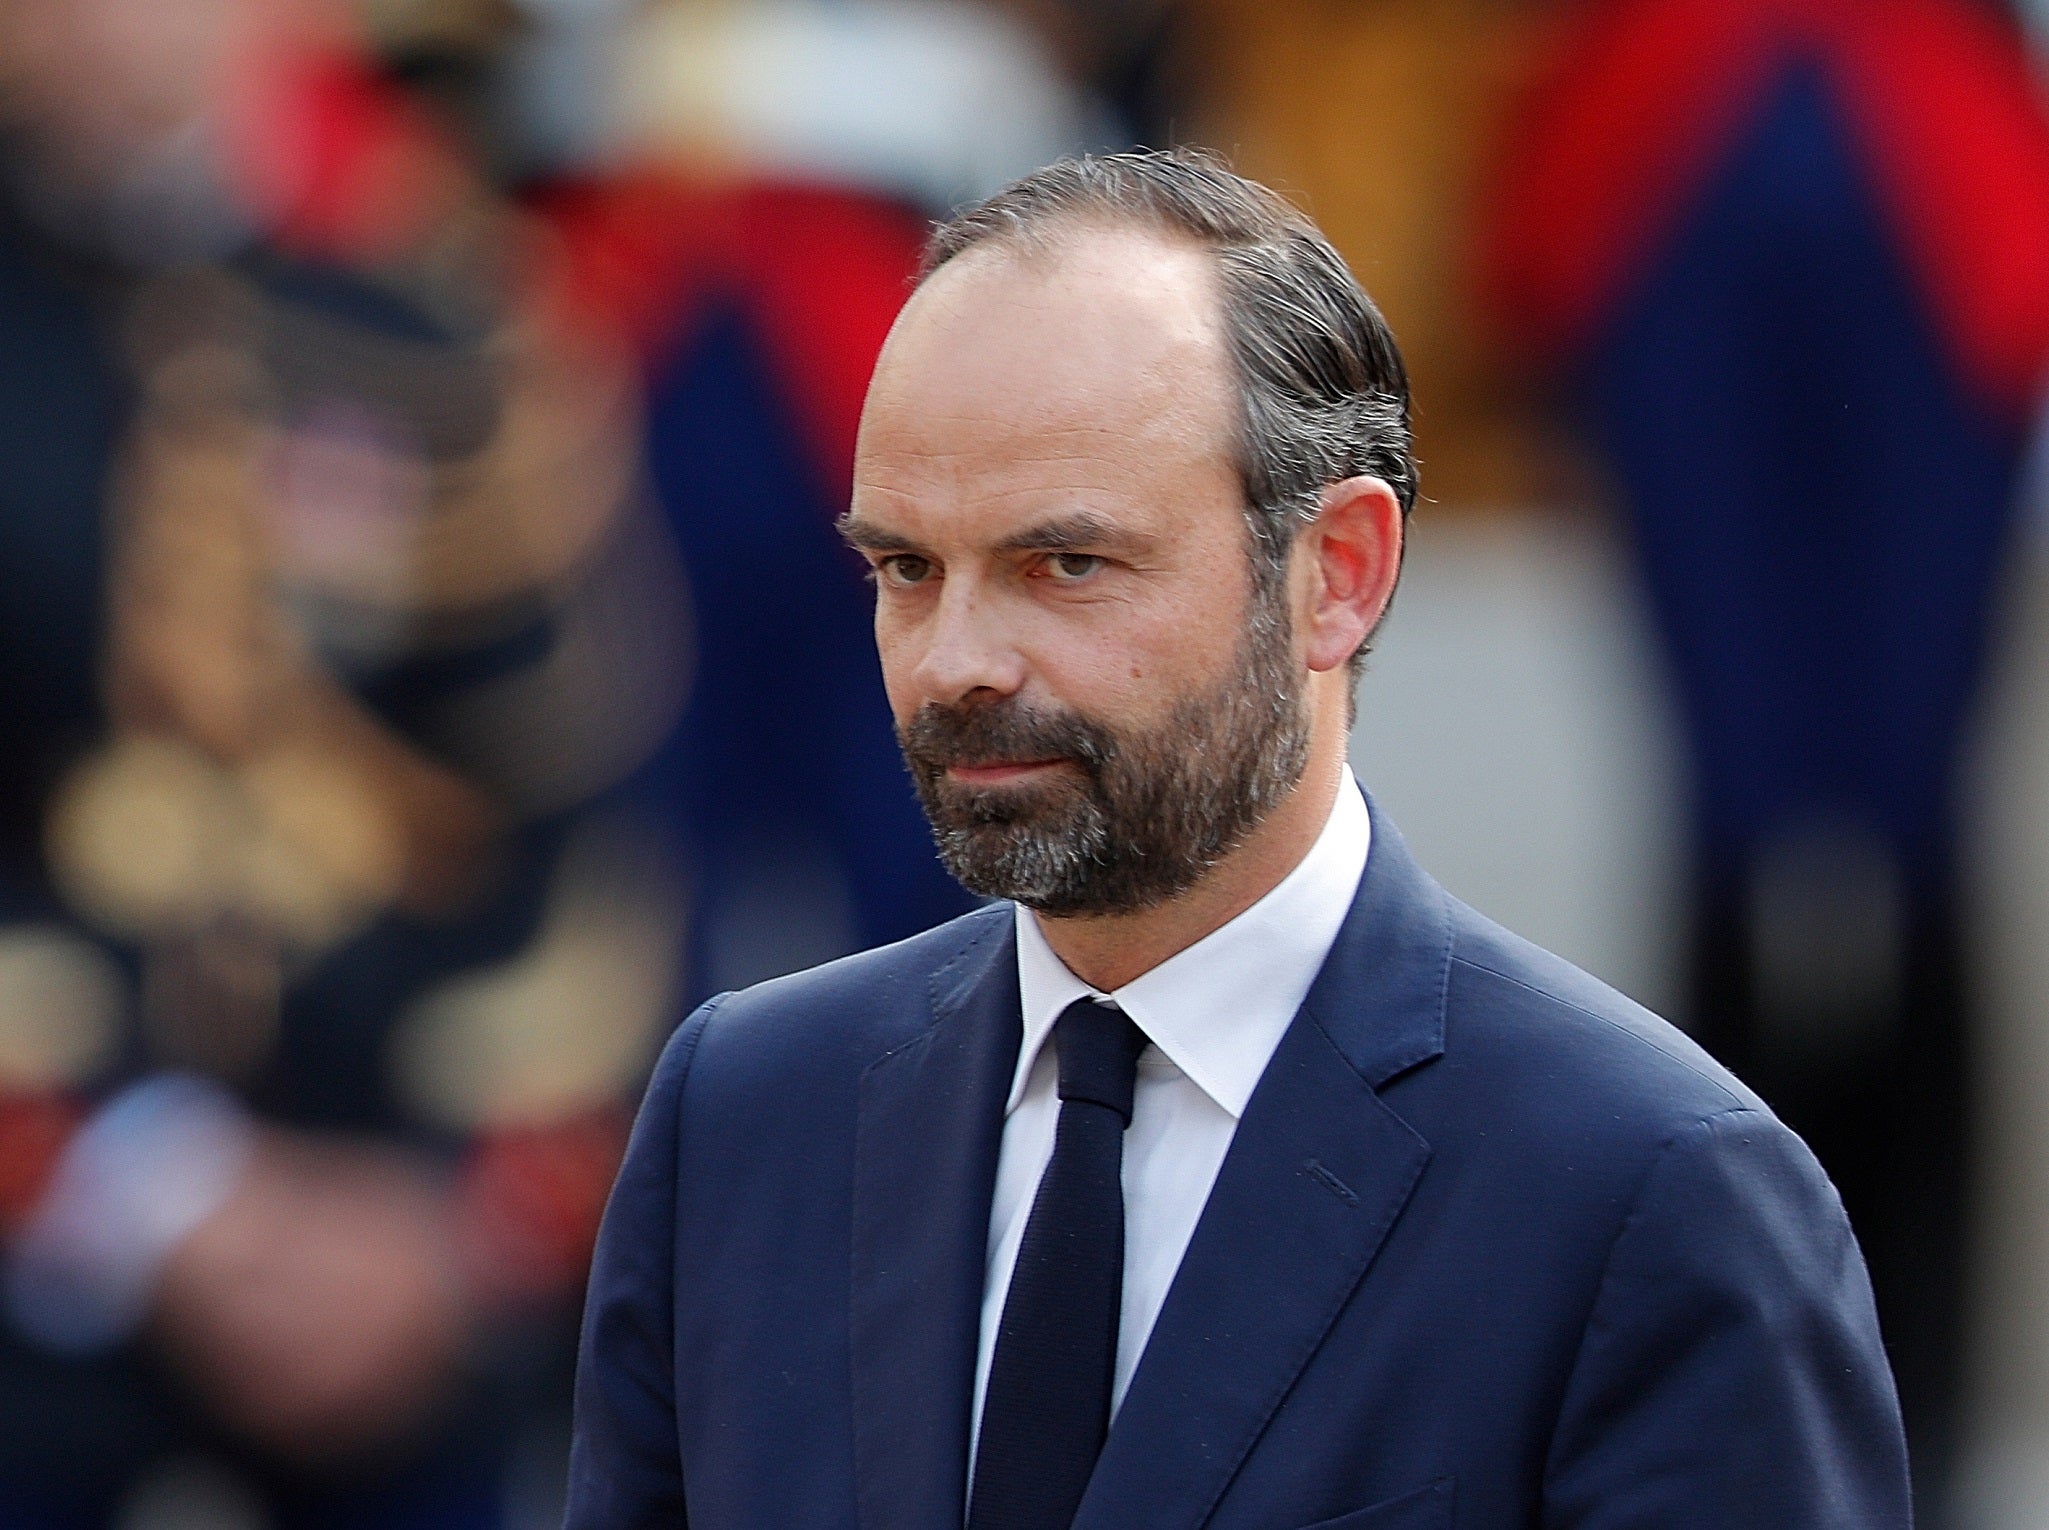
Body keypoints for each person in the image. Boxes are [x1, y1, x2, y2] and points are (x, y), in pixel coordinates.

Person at [567, 149, 1911, 1528]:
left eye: (1065, 564)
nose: (956, 659)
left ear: (1336, 575)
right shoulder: (743, 1116)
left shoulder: (1647, 1195)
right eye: (907, 568)